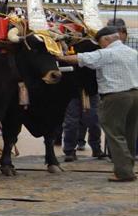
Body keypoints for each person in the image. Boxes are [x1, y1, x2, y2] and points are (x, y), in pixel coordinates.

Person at [56, 26, 138, 182]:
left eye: (100, 42)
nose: (100, 45)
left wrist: (59, 56)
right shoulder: (132, 52)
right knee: (130, 134)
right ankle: (128, 168)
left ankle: (123, 173)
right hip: (135, 94)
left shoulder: (106, 54)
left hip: (115, 96)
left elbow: (79, 59)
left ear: (107, 39)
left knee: (115, 134)